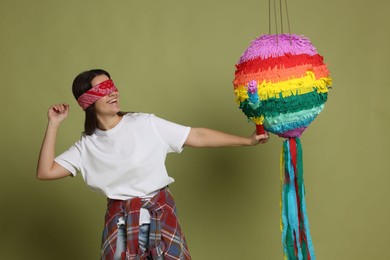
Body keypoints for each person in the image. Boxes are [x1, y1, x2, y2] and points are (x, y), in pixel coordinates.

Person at [36, 69, 269, 260]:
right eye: (103, 90)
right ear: (87, 101)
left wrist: (247, 141)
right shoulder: (86, 146)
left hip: (160, 214)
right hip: (120, 224)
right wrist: (54, 124)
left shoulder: (145, 123)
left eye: (112, 86)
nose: (113, 93)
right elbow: (45, 172)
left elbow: (196, 136)